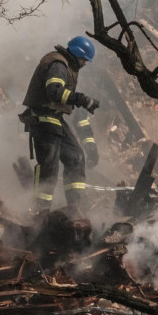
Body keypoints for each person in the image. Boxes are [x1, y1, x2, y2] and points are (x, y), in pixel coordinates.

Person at [19, 35, 100, 211]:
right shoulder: (58, 64)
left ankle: (74, 208)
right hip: (43, 118)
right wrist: (81, 99)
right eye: (83, 59)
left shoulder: (66, 65)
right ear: (77, 53)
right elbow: (54, 92)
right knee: (49, 165)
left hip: (55, 119)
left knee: (76, 157)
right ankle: (40, 210)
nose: (84, 64)